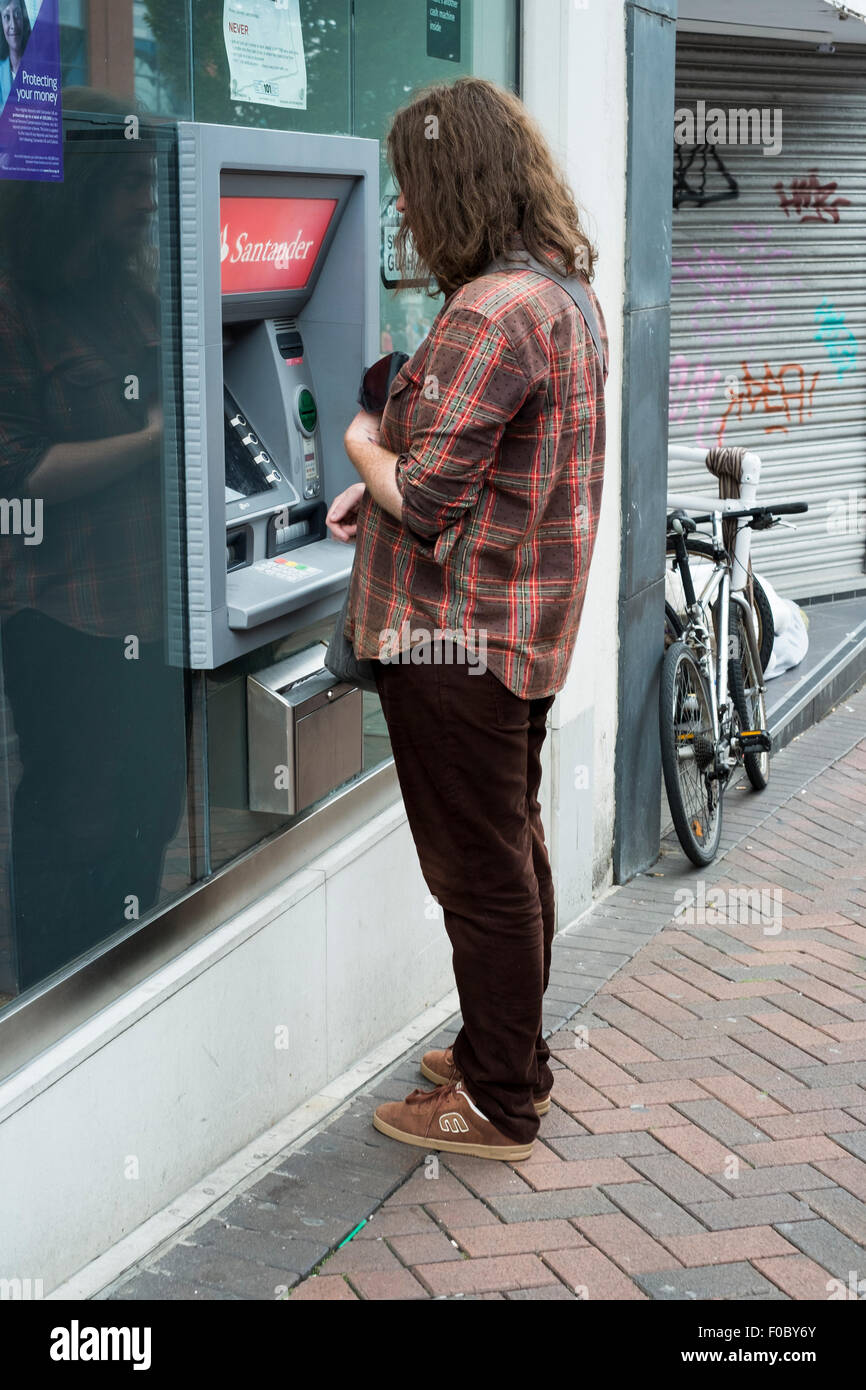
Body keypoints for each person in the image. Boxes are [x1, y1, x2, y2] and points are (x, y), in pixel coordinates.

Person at [326, 77, 608, 1162]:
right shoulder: (559, 291)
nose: (401, 210)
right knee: (512, 846)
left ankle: (498, 1099)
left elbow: (433, 496)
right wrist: (389, 478)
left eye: (408, 186)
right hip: (521, 633)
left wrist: (360, 445)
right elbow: (495, 468)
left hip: (451, 644)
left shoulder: (489, 311)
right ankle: (510, 1047)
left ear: (448, 182)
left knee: (475, 876)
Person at [0, 89, 188, 991]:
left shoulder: (130, 290)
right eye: (131, 186)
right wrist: (156, 437)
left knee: (147, 816)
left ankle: (118, 1000)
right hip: (63, 617)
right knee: (70, 828)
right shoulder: (13, 305)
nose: (150, 202)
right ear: (76, 190)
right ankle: (52, 1004)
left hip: (157, 608)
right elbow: (20, 475)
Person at [0, 0, 30, 109]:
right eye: (7, 17)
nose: (13, 25)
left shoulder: (37, 70)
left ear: (24, 19)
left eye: (17, 15)